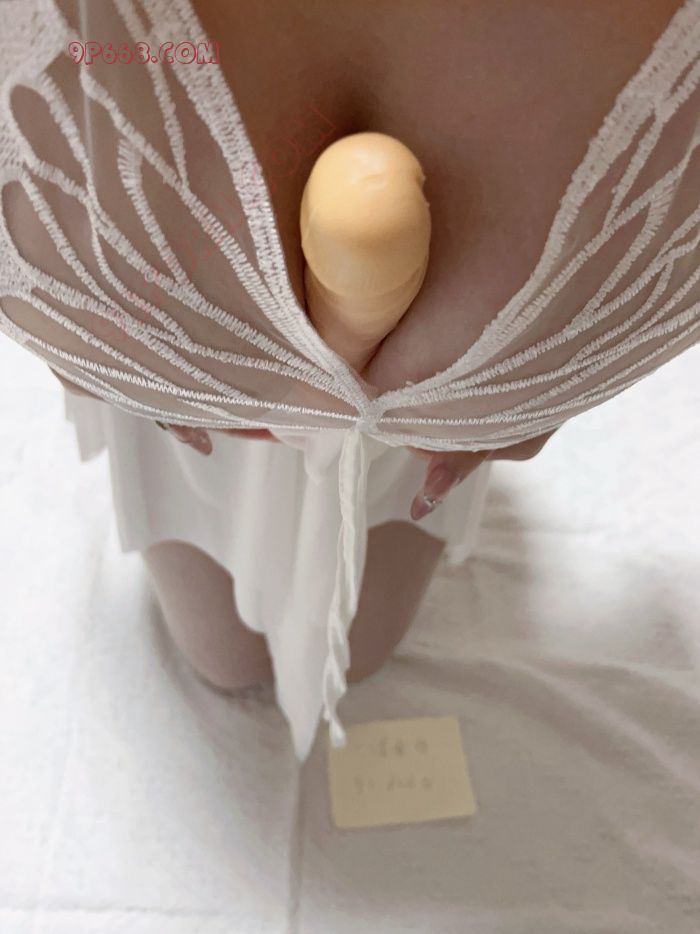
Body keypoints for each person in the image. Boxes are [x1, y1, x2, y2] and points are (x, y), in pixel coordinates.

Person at [1, 0, 697, 759]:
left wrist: (566, 362)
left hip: (399, 472)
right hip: (192, 446)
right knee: (218, 652)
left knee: (359, 646)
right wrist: (77, 333)